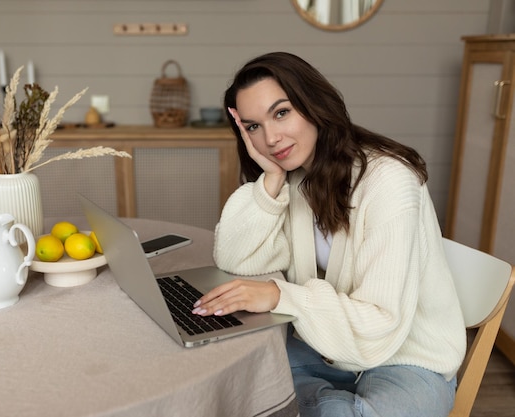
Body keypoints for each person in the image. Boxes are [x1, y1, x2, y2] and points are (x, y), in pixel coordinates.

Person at [191, 52, 466, 417]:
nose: (271, 138)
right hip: (324, 349)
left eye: (281, 112)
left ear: (314, 104)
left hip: (406, 359)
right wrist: (270, 180)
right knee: (235, 381)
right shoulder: (293, 178)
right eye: (254, 127)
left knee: (276, 400)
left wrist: (278, 295)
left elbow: (379, 327)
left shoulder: (389, 181)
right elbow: (235, 258)